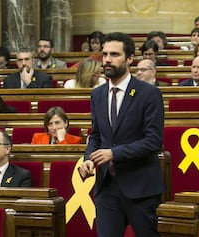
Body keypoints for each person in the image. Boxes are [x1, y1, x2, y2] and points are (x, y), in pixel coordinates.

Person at [78, 32, 164, 237]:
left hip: (140, 187)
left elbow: (153, 141)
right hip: (107, 187)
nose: (107, 59)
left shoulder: (148, 93)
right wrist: (89, 159)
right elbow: (96, 135)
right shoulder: (97, 94)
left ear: (130, 59)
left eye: (114, 54)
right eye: (105, 54)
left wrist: (113, 153)